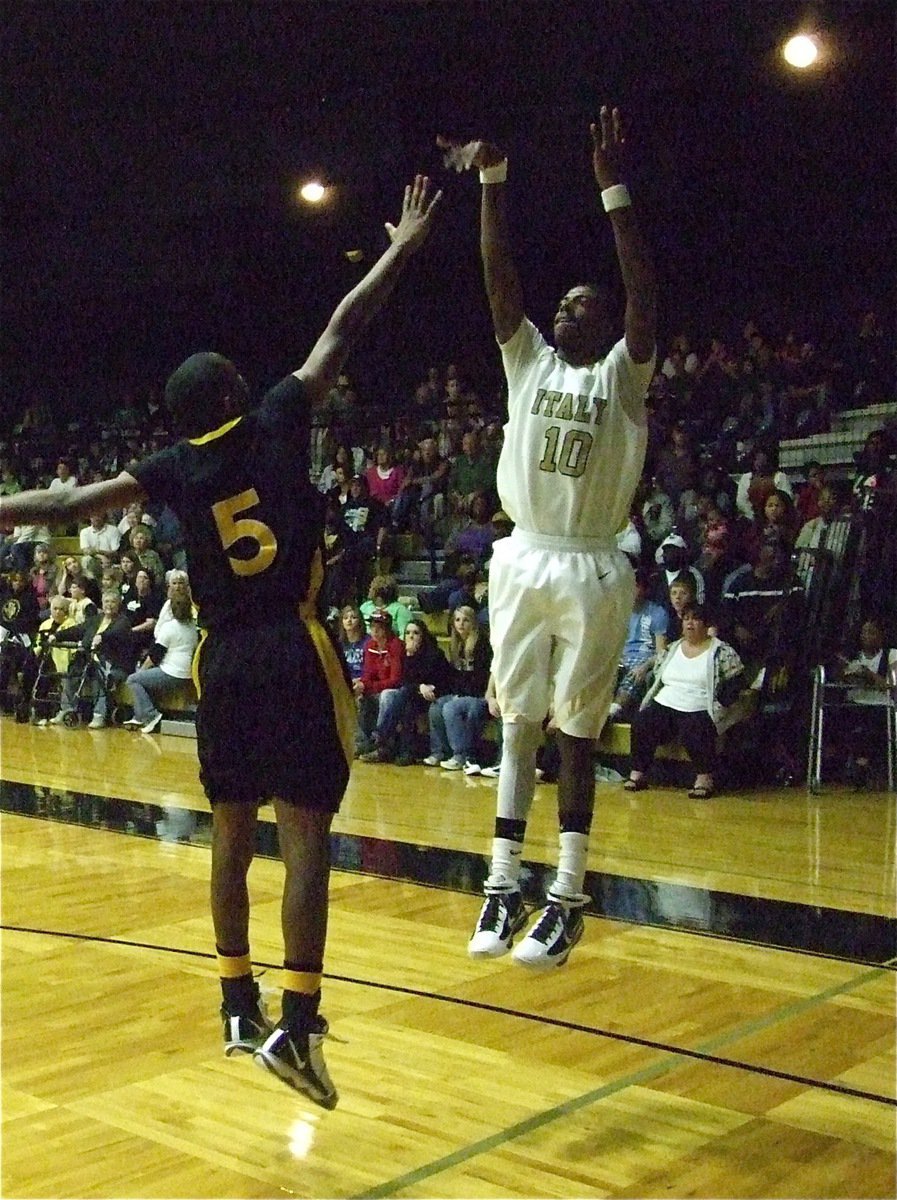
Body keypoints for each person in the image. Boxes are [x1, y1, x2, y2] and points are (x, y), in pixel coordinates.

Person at [0, 173, 442, 1109]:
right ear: (238, 391)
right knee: (309, 835)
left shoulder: (174, 465)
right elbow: (339, 332)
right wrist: (400, 246)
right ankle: (299, 1022)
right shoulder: (279, 413)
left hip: (222, 660)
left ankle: (235, 1001)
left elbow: (70, 503)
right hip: (291, 644)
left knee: (232, 836)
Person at [440, 104, 656, 968]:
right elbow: (498, 275)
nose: (565, 310)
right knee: (517, 720)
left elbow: (644, 291)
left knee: (575, 730)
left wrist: (613, 191)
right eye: (561, 303)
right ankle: (501, 882)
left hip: (592, 561)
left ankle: (567, 893)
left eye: (580, 304)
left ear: (603, 326)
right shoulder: (524, 361)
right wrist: (492, 182)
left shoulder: (620, 378)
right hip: (524, 554)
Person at [625, 603, 745, 798]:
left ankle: (704, 778)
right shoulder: (673, 648)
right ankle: (638, 773)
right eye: (686, 619)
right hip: (667, 701)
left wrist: (725, 702)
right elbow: (657, 674)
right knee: (642, 721)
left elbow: (737, 681)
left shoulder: (721, 651)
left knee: (695, 727)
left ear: (706, 625)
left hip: (699, 705)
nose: (690, 623)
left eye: (695, 619)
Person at [123, 580, 199, 733]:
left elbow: (155, 657)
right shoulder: (192, 627)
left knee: (133, 680)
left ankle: (151, 715)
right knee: (144, 680)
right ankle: (139, 716)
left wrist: (140, 672)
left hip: (171, 673)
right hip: (186, 672)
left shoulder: (169, 627)